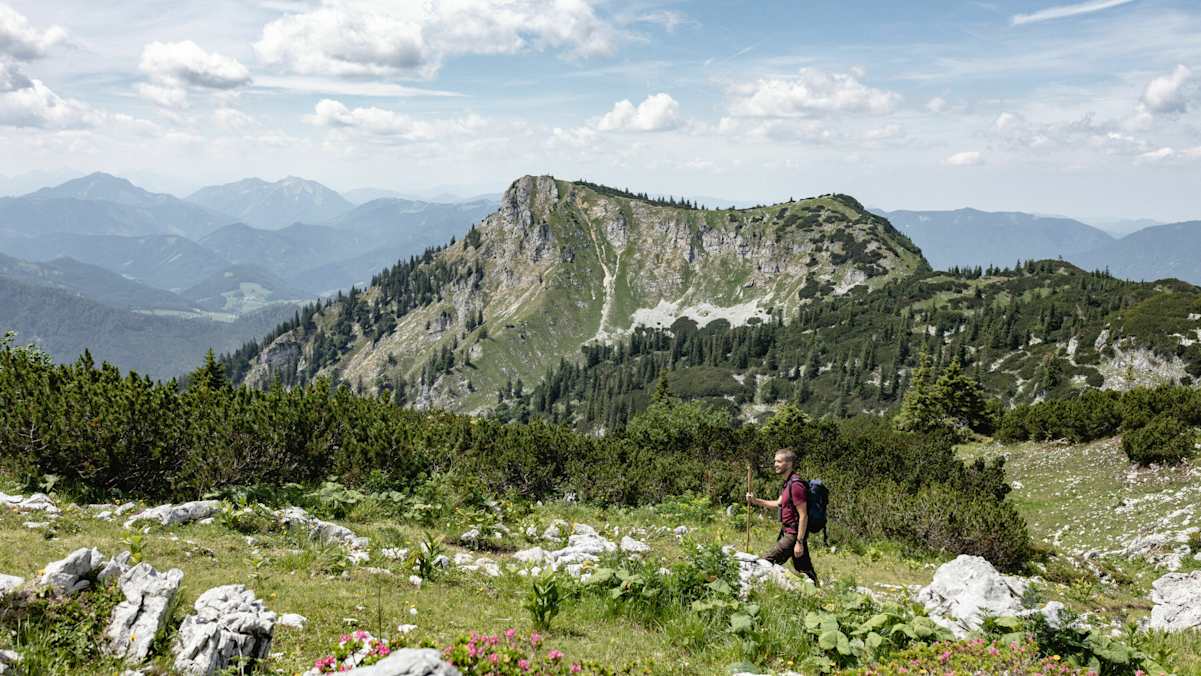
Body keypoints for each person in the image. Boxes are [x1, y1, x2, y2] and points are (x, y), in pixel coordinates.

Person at [746, 447, 818, 585]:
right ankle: (817, 591)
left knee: (765, 561)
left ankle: (758, 586)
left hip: (793, 535)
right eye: (775, 461)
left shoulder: (796, 485)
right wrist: (755, 501)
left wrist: (799, 542)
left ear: (789, 463)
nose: (775, 464)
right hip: (788, 532)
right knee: (804, 568)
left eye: (779, 461)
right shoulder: (787, 483)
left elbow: (804, 516)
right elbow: (778, 503)